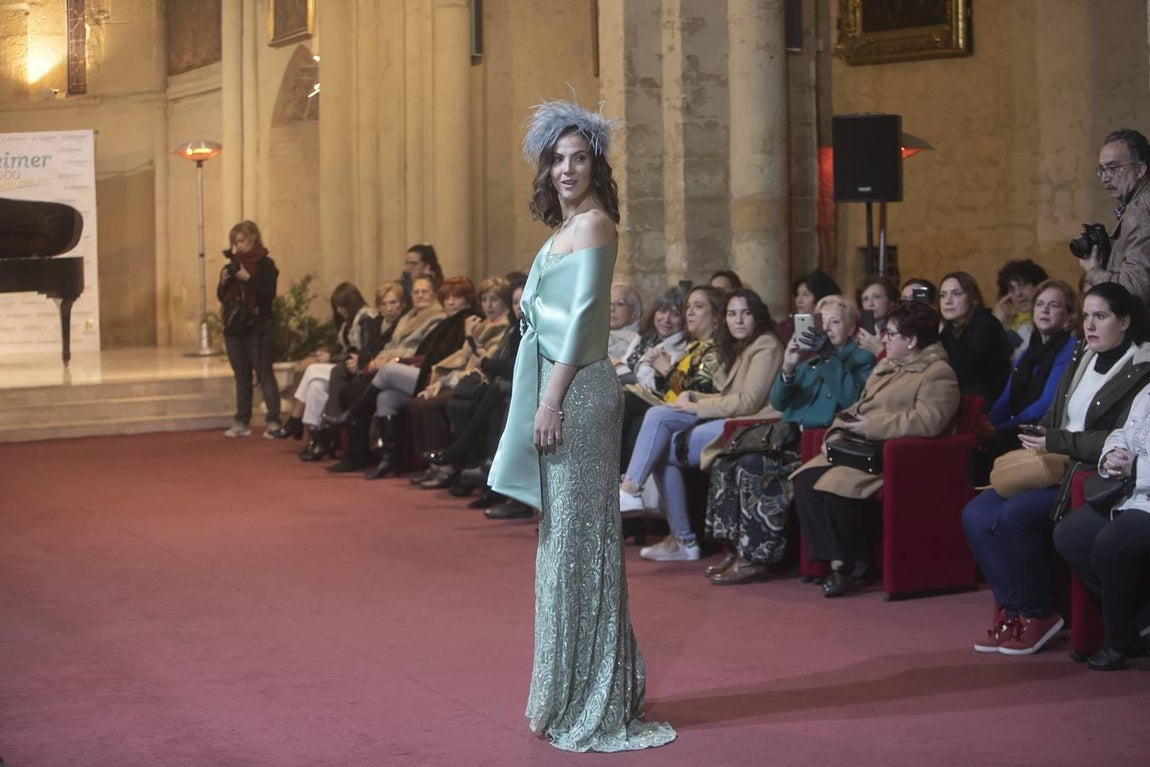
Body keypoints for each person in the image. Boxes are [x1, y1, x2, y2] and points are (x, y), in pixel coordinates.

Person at [487, 100, 675, 752]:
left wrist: (550, 402)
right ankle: (577, 688)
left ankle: (595, 696)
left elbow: (584, 324)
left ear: (596, 164)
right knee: (562, 544)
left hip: (581, 394)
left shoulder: (595, 227)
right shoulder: (560, 232)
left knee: (581, 546)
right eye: (558, 158)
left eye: (579, 157)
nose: (567, 168)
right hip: (559, 391)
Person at [961, 282, 1150, 656]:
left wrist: (1057, 441)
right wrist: (1042, 432)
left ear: (1125, 321)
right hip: (1051, 462)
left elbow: (1117, 438)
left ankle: (1038, 613)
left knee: (1014, 515)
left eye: (1101, 317)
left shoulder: (1138, 369)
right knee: (975, 514)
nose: (1090, 325)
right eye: (1086, 317)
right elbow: (1056, 414)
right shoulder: (1082, 352)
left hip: (1085, 474)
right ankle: (1013, 611)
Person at [791, 300, 960, 598]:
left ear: (911, 340)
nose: (883, 339)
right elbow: (860, 403)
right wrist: (838, 429)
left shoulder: (937, 372)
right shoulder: (889, 364)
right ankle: (840, 559)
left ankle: (846, 565)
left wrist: (874, 426)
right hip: (861, 444)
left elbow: (928, 422)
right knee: (804, 480)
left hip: (895, 455)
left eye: (891, 334)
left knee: (832, 486)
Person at [704, 294, 876, 584]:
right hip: (785, 437)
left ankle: (756, 557)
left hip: (817, 442)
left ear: (851, 329)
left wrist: (830, 359)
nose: (829, 328)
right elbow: (781, 402)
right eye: (824, 322)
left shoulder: (861, 359)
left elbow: (851, 398)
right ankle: (735, 548)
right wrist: (787, 366)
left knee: (752, 466)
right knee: (725, 464)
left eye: (836, 322)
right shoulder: (810, 361)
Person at [618, 289, 783, 563]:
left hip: (753, 425)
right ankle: (669, 528)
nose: (738, 320)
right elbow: (729, 396)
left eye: (745, 313)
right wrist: (696, 397)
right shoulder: (743, 346)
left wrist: (696, 405)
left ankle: (642, 500)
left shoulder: (766, 345)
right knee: (659, 426)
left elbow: (748, 403)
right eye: (733, 314)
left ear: (758, 316)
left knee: (660, 431)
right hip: (731, 416)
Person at [1054, 385, 1150, 671]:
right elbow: (1123, 431)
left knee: (1110, 546)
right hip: (1133, 494)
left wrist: (1137, 467)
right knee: (1070, 535)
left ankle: (1119, 641)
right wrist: (1113, 453)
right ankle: (1140, 622)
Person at [981, 279, 1079, 462]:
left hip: (1043, 434)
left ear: (1069, 315)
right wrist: (989, 424)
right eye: (1040, 304)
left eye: (1054, 305)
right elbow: (1006, 398)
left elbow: (1045, 404)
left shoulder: (1070, 347)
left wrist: (1000, 428)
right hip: (1016, 429)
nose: (1045, 310)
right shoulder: (1028, 351)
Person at [269, 282, 379, 441]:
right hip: (343, 366)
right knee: (315, 386)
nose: (340, 311)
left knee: (312, 370)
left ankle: (294, 420)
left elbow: (364, 351)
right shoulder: (347, 322)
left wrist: (331, 358)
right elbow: (343, 348)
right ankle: (316, 436)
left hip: (356, 368)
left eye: (343, 306)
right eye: (337, 307)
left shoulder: (366, 318)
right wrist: (328, 354)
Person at [217, 220, 281, 438]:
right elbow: (222, 297)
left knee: (264, 373)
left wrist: (248, 278)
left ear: (253, 238)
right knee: (241, 375)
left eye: (242, 240)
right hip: (235, 328)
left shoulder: (266, 265)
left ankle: (274, 421)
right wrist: (225, 280)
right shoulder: (232, 266)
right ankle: (241, 421)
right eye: (235, 242)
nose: (238, 246)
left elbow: (267, 294)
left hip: (258, 326)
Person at [1077, 128, 1150, 303]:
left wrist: (1094, 271)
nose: (1105, 178)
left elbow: (1133, 290)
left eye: (1113, 168)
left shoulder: (1140, 211)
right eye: (1101, 169)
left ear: (1140, 170)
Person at [938, 271, 1012, 409]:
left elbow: (966, 371)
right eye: (943, 295)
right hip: (957, 399)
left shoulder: (985, 324)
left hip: (983, 406)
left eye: (956, 294)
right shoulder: (949, 328)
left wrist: (942, 331)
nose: (948, 301)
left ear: (971, 297)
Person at [614, 286, 688, 393]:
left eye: (675, 314)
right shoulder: (644, 337)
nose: (666, 319)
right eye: (662, 311)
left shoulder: (679, 348)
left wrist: (618, 366)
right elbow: (624, 362)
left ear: (684, 319)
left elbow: (651, 387)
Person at [992, 259, 1049, 362]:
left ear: (1038, 285)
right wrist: (997, 323)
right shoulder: (1005, 322)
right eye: (1012, 289)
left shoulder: (1048, 318)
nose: (1018, 293)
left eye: (1023, 285)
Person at [776, 269, 841, 345]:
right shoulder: (786, 327)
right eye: (797, 295)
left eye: (805, 295)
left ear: (821, 297)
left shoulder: (834, 328)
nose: (798, 300)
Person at [854, 274, 899, 357]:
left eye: (877, 297)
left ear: (891, 302)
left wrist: (879, 350)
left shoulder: (899, 332)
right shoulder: (855, 331)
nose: (870, 304)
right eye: (865, 299)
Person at [608, 283, 643, 361]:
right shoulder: (594, 335)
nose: (611, 309)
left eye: (620, 304)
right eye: (608, 303)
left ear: (634, 310)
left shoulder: (641, 340)